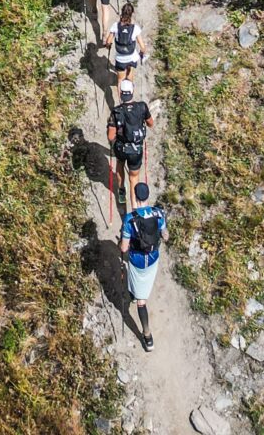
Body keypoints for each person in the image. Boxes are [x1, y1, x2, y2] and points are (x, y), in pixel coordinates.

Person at [119, 182, 166, 351]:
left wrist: (123, 243)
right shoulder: (159, 213)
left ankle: (147, 336)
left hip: (136, 261)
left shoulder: (130, 219)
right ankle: (147, 337)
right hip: (153, 260)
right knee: (142, 289)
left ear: (136, 197)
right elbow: (165, 236)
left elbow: (124, 248)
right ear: (147, 196)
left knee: (141, 302)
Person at [108, 81, 154, 211]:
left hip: (121, 148)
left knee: (120, 165)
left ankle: (121, 191)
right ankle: (134, 208)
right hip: (136, 149)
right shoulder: (142, 107)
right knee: (134, 178)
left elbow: (111, 137)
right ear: (132, 92)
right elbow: (151, 123)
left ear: (120, 93)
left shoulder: (116, 111)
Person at [104, 0, 146, 90]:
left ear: (122, 13)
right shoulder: (135, 28)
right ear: (132, 14)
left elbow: (108, 41)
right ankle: (130, 100)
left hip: (120, 58)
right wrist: (142, 53)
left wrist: (108, 46)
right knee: (130, 80)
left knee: (120, 81)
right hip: (131, 57)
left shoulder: (116, 26)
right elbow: (142, 47)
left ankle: (121, 102)